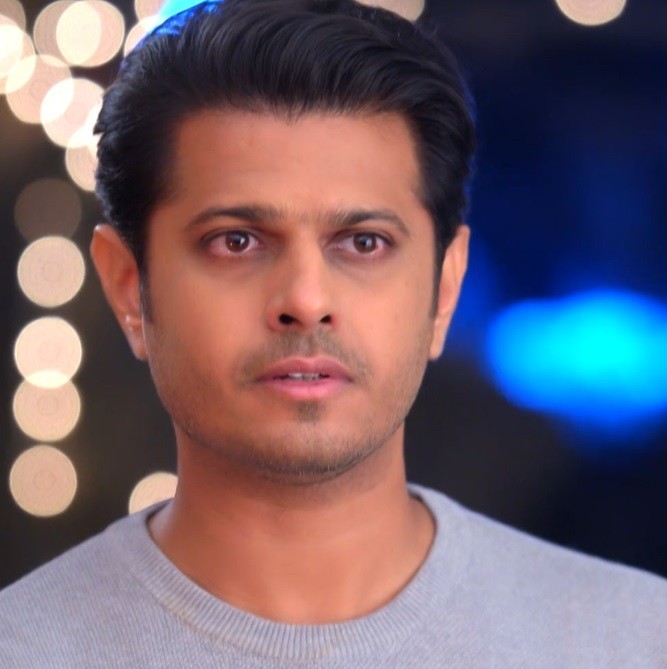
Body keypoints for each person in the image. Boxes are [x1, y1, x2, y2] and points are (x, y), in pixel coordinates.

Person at [1, 0, 665, 666]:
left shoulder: (632, 640)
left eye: (363, 242)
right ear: (129, 287)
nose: (306, 300)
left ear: (444, 288)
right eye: (236, 241)